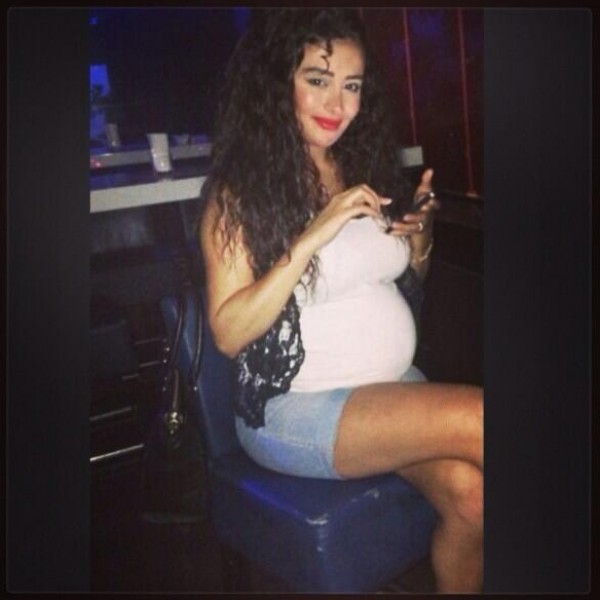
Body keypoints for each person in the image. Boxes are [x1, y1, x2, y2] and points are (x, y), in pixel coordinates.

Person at [199, 9, 483, 593]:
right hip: (296, 408)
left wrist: (420, 240)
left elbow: (401, 286)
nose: (338, 103)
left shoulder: (360, 167)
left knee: (472, 497)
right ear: (278, 84)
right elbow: (228, 333)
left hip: (387, 387)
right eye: (317, 79)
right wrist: (312, 235)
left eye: (351, 85)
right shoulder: (239, 195)